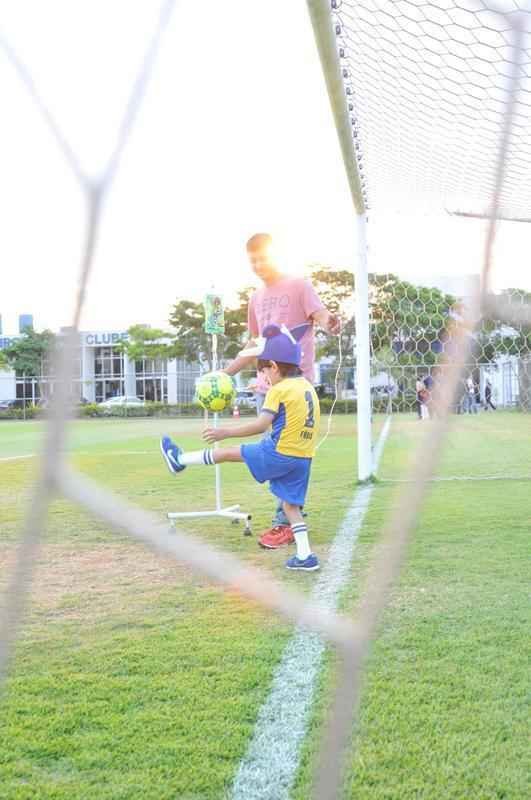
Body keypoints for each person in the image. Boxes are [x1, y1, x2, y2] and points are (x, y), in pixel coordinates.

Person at [160, 323, 321, 572]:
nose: (265, 377)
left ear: (275, 366)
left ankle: (179, 459)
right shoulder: (307, 386)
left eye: (264, 371)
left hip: (279, 452)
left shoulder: (279, 390)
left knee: (227, 452)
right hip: (303, 457)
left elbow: (260, 425)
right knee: (290, 507)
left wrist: (224, 432)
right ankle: (305, 556)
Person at [222, 232, 340, 549]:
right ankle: (287, 519)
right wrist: (226, 373)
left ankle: (283, 522)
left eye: (264, 257)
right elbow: (254, 344)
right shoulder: (256, 299)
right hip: (266, 384)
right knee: (273, 450)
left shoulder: (299, 285)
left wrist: (330, 322)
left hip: (295, 385)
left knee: (288, 451)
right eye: (253, 260)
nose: (259, 264)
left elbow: (320, 314)